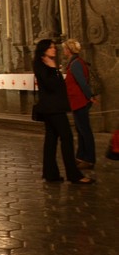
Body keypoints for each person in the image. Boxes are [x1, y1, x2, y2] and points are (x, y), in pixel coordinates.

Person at [34, 39, 93, 184]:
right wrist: (54, 69)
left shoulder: (46, 63)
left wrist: (55, 69)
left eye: (54, 47)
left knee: (51, 139)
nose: (54, 50)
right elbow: (54, 86)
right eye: (51, 48)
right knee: (66, 138)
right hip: (53, 108)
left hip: (52, 107)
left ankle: (50, 174)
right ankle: (74, 175)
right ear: (44, 50)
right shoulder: (42, 64)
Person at [63, 39, 97, 170]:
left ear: (69, 50)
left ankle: (89, 159)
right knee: (80, 130)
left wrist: (90, 96)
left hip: (80, 101)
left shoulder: (76, 64)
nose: (64, 51)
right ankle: (81, 156)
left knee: (85, 131)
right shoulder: (74, 62)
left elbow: (82, 82)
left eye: (65, 48)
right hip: (76, 101)